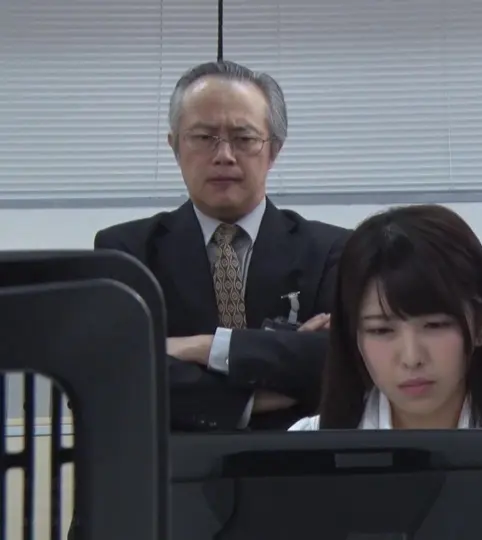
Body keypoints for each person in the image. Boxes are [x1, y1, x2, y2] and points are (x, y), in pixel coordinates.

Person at [95, 61, 349, 431]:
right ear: (174, 146)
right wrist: (252, 397)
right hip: (173, 461)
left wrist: (200, 347)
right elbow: (115, 369)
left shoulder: (331, 250)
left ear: (274, 150)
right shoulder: (127, 252)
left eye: (244, 138)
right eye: (203, 137)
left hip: (299, 457)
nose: (224, 155)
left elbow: (340, 360)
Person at [289, 204, 482, 430]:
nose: (412, 358)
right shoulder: (306, 449)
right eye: (381, 330)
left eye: (435, 325)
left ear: (481, 324)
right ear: (354, 336)